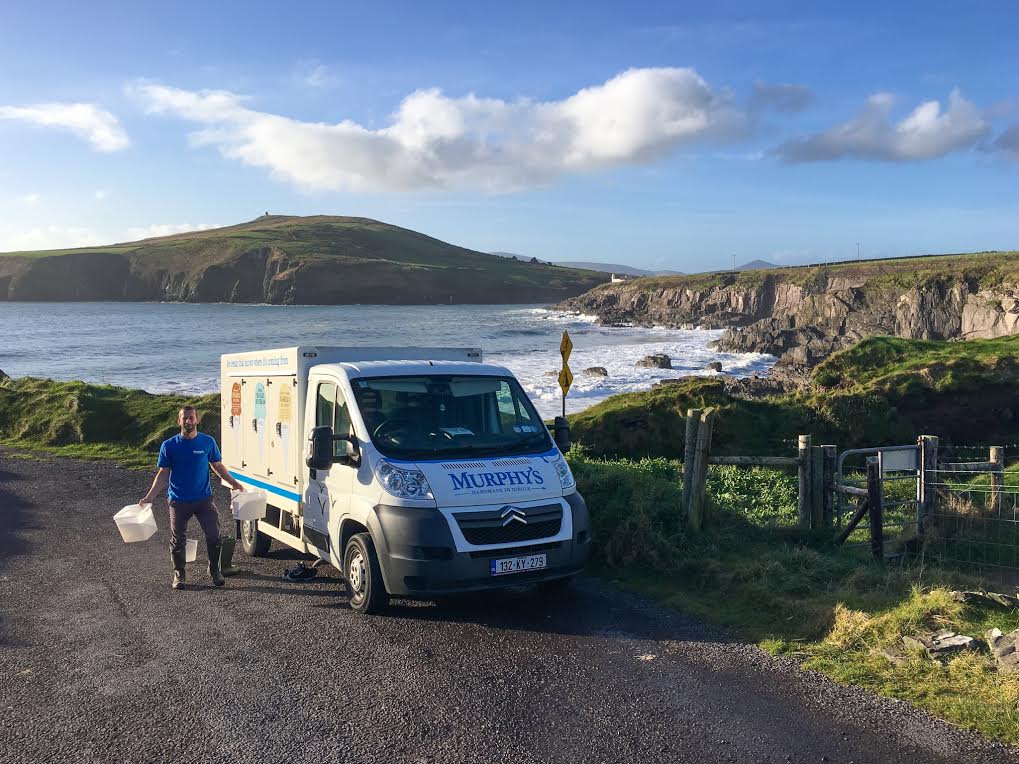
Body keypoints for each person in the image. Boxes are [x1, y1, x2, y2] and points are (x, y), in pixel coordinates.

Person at [140, 405, 244, 590]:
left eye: (191, 417)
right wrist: (149, 497)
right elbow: (163, 474)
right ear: (179, 421)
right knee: (178, 539)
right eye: (184, 418)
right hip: (178, 501)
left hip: (204, 500)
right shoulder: (169, 445)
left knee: (213, 535)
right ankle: (179, 574)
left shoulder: (207, 442)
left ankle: (215, 571)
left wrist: (234, 483)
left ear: (197, 420)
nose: (188, 421)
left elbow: (217, 465)